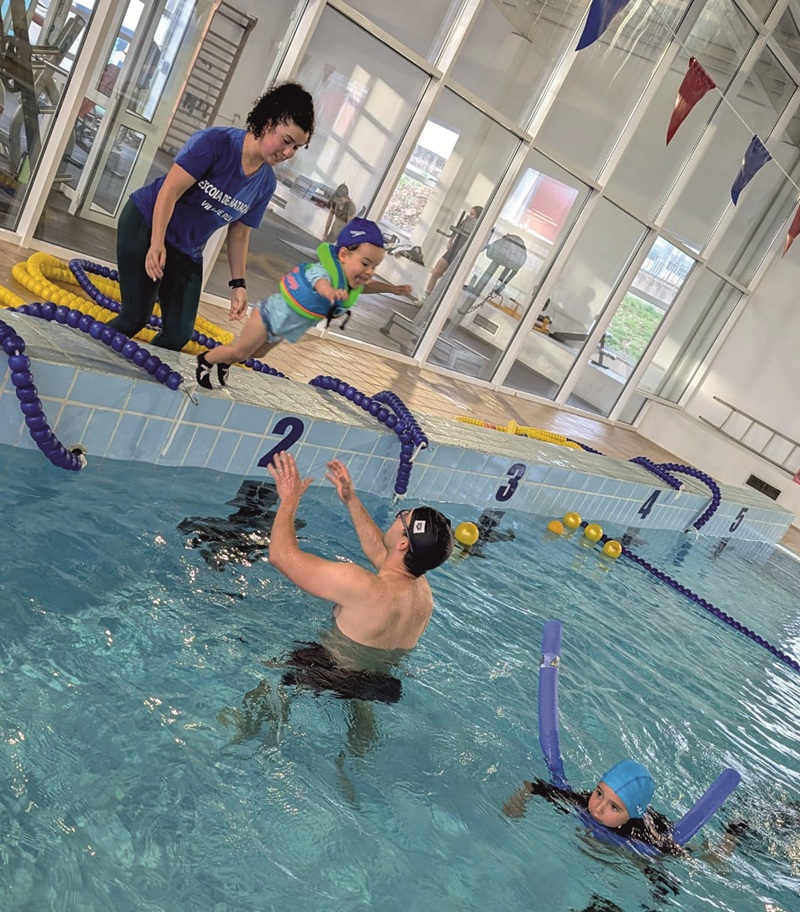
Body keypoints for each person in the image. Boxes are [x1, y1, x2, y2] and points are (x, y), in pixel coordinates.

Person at [218, 452, 454, 755]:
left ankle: (241, 736)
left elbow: (281, 555)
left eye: (402, 516)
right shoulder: (422, 593)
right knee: (358, 685)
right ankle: (359, 739)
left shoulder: (361, 586)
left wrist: (289, 500)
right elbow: (381, 551)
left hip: (332, 670)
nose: (398, 516)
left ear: (404, 543)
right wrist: (350, 499)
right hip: (379, 684)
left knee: (269, 673)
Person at [107, 82, 315, 352]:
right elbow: (169, 191)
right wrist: (155, 243)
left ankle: (133, 381)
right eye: (286, 141)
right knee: (134, 318)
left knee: (178, 335)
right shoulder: (216, 143)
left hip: (187, 248)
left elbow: (240, 233)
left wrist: (238, 285)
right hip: (147, 223)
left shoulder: (265, 184)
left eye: (297, 148)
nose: (287, 153)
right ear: (268, 122)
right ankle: (79, 354)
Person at [195, 218, 411, 389]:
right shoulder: (326, 272)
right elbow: (319, 282)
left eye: (375, 266)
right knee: (241, 351)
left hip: (282, 328)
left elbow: (369, 286)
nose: (369, 271)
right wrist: (330, 292)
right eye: (365, 263)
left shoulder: (349, 283)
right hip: (268, 315)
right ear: (344, 254)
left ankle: (225, 361)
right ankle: (206, 360)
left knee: (257, 354)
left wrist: (392, 289)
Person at [503, 759, 688, 857]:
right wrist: (518, 802)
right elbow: (533, 786)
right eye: (599, 793)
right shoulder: (585, 801)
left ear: (630, 815)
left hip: (654, 825)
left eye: (614, 807)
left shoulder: (641, 834)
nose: (598, 808)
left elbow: (675, 855)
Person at [425, 204, 483, 296]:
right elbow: (455, 231)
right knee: (436, 272)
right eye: (469, 214)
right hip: (452, 250)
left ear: (478, 217)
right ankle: (425, 297)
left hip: (462, 255)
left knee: (447, 281)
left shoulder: (480, 229)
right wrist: (450, 241)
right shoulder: (465, 222)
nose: (469, 216)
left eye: (472, 214)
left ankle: (436, 303)